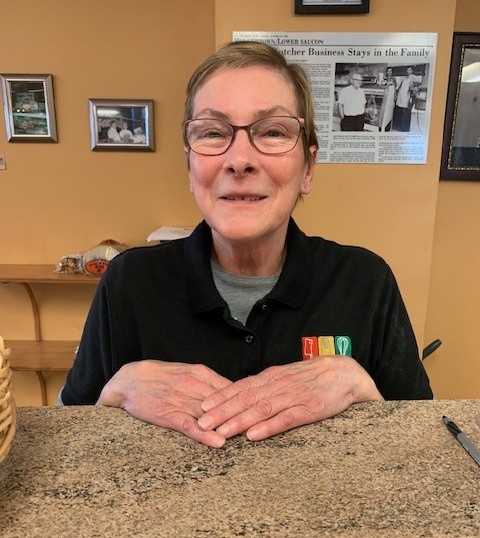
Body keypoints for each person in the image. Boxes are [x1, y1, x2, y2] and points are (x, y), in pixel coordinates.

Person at [60, 41, 432, 448]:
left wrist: (362, 387)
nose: (239, 160)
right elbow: (68, 438)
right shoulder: (129, 283)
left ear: (308, 169)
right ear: (190, 168)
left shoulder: (365, 282)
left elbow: (420, 444)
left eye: (272, 132)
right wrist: (115, 390)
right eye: (212, 132)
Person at [393, 66, 422, 132]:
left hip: (406, 97)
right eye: (407, 70)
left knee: (405, 112)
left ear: (412, 71)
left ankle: (404, 128)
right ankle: (400, 127)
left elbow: (420, 82)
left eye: (409, 70)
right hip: (400, 96)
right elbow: (399, 86)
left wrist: (413, 87)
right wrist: (396, 94)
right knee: (400, 111)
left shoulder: (413, 77)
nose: (407, 71)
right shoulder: (404, 78)